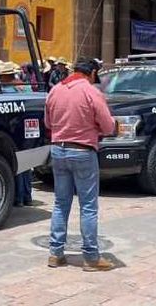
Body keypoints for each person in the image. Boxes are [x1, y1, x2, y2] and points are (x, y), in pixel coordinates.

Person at [44, 58, 116, 271]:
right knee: (88, 206)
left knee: (60, 203)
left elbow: (48, 122)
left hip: (58, 149)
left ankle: (55, 254)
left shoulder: (55, 90)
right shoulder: (91, 92)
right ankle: (91, 257)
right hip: (83, 150)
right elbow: (108, 126)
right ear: (92, 73)